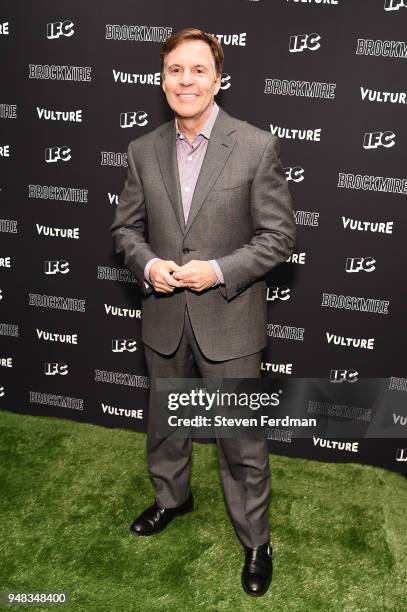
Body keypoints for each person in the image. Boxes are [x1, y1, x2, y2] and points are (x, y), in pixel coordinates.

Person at [110, 27, 296, 597]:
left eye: (197, 70)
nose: (185, 81)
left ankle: (256, 541)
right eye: (174, 71)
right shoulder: (143, 150)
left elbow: (279, 235)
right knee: (168, 424)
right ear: (161, 79)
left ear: (218, 79)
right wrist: (146, 265)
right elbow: (125, 229)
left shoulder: (256, 146)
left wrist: (217, 270)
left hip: (230, 319)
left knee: (241, 441)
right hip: (164, 318)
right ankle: (173, 498)